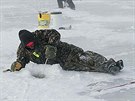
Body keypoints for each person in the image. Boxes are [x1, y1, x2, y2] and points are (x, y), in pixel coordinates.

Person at [10, 29, 124, 75]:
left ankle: (109, 64)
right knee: (85, 67)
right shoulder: (22, 49)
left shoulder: (39, 34)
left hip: (67, 52)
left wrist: (51, 46)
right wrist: (18, 64)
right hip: (62, 63)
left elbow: (54, 33)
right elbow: (21, 59)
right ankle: (107, 68)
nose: (31, 45)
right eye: (28, 45)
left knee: (84, 58)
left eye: (32, 43)